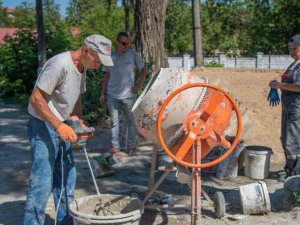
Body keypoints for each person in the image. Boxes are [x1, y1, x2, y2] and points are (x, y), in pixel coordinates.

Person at [24, 34, 113, 225]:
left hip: (62, 123)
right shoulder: (59, 64)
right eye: (97, 60)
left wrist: (77, 122)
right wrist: (59, 126)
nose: (98, 65)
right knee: (42, 181)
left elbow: (77, 97)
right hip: (42, 124)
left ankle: (65, 221)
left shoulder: (83, 67)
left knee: (67, 175)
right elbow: (36, 99)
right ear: (86, 50)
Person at [100, 32, 146, 156]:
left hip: (129, 96)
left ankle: (131, 146)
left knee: (131, 121)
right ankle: (115, 146)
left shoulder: (133, 54)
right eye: (124, 43)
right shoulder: (110, 56)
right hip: (112, 94)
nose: (126, 46)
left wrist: (138, 86)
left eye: (128, 43)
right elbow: (106, 75)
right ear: (117, 42)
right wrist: (102, 93)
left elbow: (143, 69)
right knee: (114, 121)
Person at [269, 34, 300, 177]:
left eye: (295, 49)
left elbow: (298, 86)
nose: (292, 52)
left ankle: (295, 175)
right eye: (290, 49)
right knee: (286, 139)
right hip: (288, 107)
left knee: (293, 142)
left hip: (296, 108)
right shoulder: (294, 64)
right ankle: (290, 170)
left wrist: (279, 85)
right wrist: (275, 85)